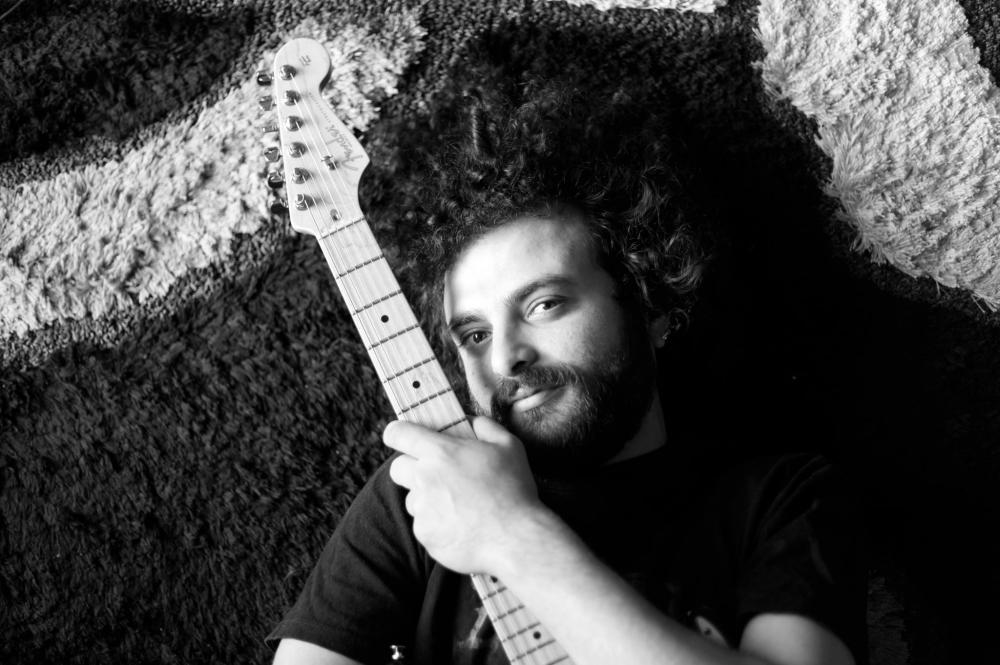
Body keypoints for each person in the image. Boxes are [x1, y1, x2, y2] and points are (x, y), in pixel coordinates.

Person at [267, 82, 867, 665]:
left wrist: (511, 533)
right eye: (475, 335)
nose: (505, 359)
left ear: (651, 308)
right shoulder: (421, 492)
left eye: (544, 305)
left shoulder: (782, 500)